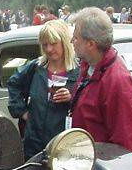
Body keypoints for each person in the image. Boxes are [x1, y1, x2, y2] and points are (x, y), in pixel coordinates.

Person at [70, 7, 132, 157]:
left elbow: (128, 144)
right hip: (84, 161)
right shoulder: (88, 66)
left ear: (91, 44)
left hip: (100, 166)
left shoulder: (118, 82)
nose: (72, 41)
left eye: (76, 38)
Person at [7, 20, 79, 158]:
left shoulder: (79, 70)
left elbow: (88, 102)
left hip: (64, 144)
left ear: (64, 42)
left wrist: (71, 98)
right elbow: (13, 83)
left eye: (53, 43)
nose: (49, 49)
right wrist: (22, 112)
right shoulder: (36, 67)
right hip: (34, 143)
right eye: (45, 45)